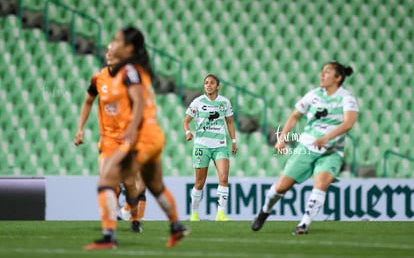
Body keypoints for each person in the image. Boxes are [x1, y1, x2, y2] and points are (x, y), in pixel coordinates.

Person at [75, 26, 188, 249]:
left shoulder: (130, 71)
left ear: (128, 48)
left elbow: (139, 102)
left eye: (116, 40)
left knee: (107, 180)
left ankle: (109, 237)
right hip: (151, 137)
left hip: (142, 137)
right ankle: (177, 227)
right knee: (155, 186)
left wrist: (132, 129)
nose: (112, 44)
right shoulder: (117, 73)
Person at [251, 61, 359, 234]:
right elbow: (295, 116)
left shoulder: (346, 98)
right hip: (306, 148)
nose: (322, 75)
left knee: (321, 184)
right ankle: (265, 211)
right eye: (322, 72)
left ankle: (303, 224)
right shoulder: (314, 95)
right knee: (280, 188)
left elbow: (349, 122)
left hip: (331, 152)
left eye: (327, 72)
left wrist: (327, 138)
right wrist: (282, 139)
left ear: (338, 78)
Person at [75, 45, 146, 233]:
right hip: (107, 140)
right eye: (107, 52)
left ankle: (135, 217)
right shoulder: (98, 78)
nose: (109, 55)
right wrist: (80, 129)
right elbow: (88, 101)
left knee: (130, 183)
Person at [183, 74, 238, 222]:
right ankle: (194, 213)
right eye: (206, 83)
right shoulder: (197, 102)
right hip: (202, 145)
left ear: (218, 86)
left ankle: (220, 214)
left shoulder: (224, 103)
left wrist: (233, 141)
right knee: (200, 182)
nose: (208, 85)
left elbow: (230, 123)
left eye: (212, 83)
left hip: (220, 145)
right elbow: (186, 121)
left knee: (224, 177)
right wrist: (188, 132)